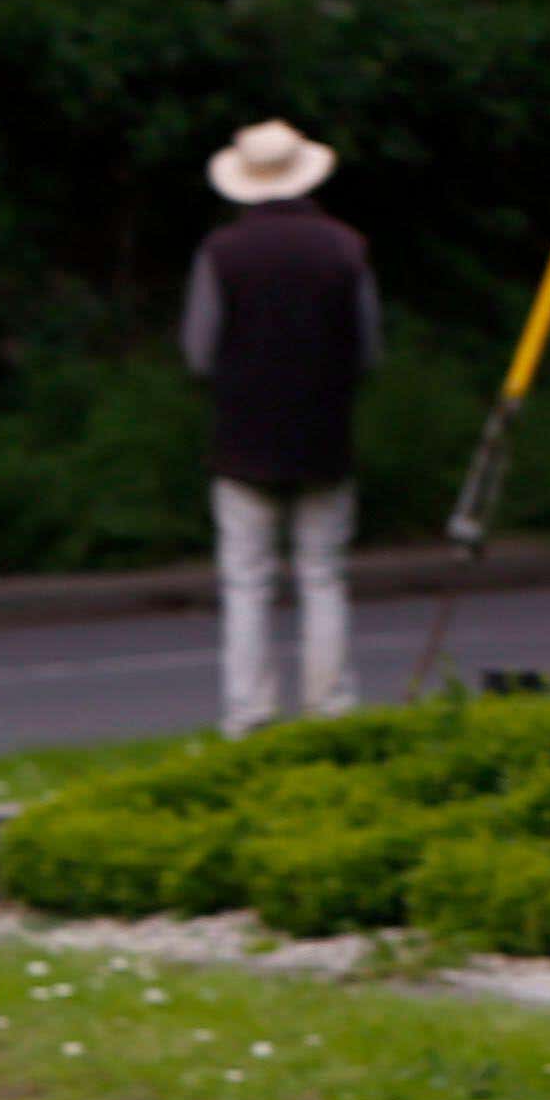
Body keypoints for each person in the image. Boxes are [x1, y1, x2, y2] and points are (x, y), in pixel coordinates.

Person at [184, 120, 382, 736]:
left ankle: (249, 712)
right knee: (323, 575)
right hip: (325, 431)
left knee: (246, 580)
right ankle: (329, 705)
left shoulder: (221, 252)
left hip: (243, 436)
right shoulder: (346, 248)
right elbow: (370, 349)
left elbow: (198, 349)